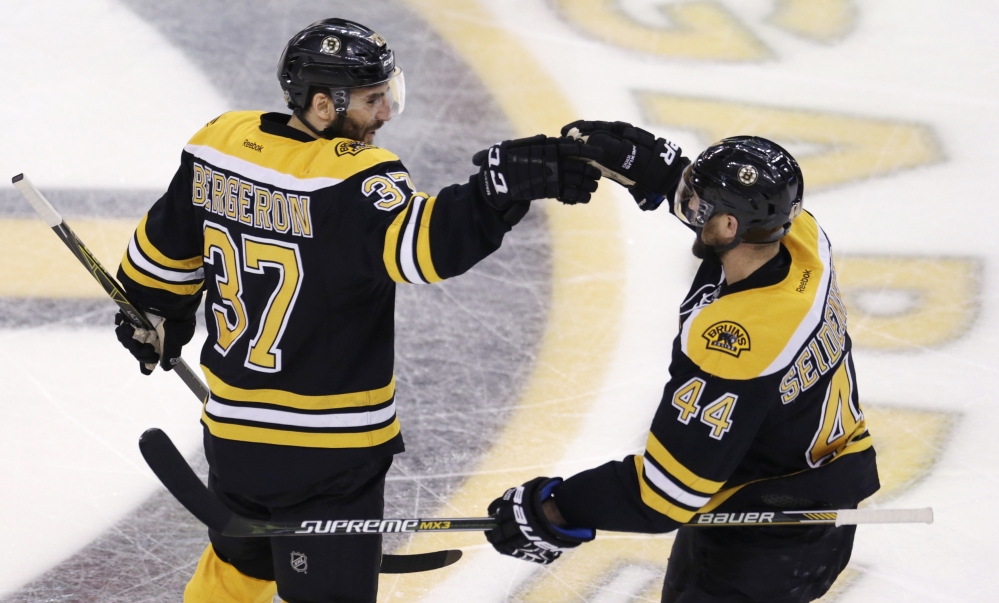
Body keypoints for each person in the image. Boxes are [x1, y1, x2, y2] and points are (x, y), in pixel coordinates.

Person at [112, 18, 600, 603]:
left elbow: (161, 255)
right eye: (372, 99)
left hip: (233, 437)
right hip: (330, 454)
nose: (386, 112)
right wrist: (496, 191)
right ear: (324, 104)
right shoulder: (353, 175)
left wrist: (154, 316)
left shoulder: (220, 143)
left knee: (237, 568)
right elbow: (426, 246)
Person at [485, 121, 880, 603]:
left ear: (730, 226)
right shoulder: (803, 241)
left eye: (698, 203)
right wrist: (664, 172)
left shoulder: (737, 342)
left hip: (760, 543)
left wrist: (552, 510)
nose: (688, 206)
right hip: (809, 492)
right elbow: (739, 213)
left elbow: (665, 494)